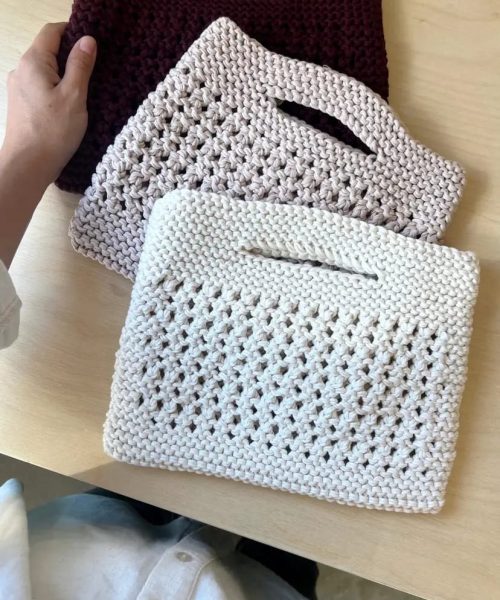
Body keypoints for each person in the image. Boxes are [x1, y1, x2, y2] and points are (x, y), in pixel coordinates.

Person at [0, 23, 318, 599]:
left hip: (96, 528)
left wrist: (30, 151)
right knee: (296, 520)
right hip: (256, 579)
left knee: (147, 482)